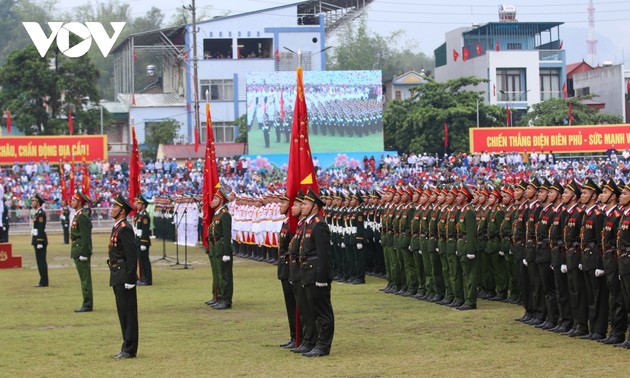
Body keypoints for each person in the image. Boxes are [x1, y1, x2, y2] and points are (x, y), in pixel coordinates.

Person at [299, 188, 334, 357]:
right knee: (313, 310)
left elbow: (323, 253)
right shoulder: (309, 223)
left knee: (323, 311)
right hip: (308, 272)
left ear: (314, 207)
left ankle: (323, 346)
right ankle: (316, 343)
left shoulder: (319, 224)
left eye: (305, 203)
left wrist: (321, 278)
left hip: (317, 274)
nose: (302, 206)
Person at [108, 194, 139, 359]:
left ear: (122, 210)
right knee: (122, 312)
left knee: (128, 312)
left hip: (123, 273)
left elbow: (132, 256)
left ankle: (130, 348)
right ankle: (126, 346)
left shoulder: (125, 228)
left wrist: (131, 279)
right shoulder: (117, 227)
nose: (112, 209)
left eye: (115, 207)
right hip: (116, 272)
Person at [276, 192, 296, 348]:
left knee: (296, 304)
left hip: (291, 268)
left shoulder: (292, 225)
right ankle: (293, 336)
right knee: (289, 305)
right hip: (284, 268)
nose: (280, 205)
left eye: (283, 202)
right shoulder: (286, 223)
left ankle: (298, 336)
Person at [208, 189, 233, 310]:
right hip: (216, 248)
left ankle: (226, 300)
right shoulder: (217, 214)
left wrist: (227, 253)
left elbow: (227, 235)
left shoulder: (225, 215)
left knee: (225, 275)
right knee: (218, 274)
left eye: (215, 199)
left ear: (221, 201)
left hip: (223, 248)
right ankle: (219, 297)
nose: (212, 201)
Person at [71, 192, 93, 312]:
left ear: (79, 202)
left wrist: (84, 253)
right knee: (83, 277)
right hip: (77, 248)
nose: (71, 202)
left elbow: (86, 237)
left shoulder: (82, 216)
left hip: (81, 249)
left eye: (74, 200)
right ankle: (86, 302)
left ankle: (87, 303)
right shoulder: (78, 215)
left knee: (85, 278)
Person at [134, 195, 152, 286]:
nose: (137, 205)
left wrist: (143, 243)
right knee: (141, 261)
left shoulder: (144, 216)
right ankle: (143, 278)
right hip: (138, 241)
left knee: (145, 261)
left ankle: (147, 280)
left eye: (139, 203)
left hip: (143, 241)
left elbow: (145, 230)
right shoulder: (139, 214)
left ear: (143, 205)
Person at [31, 193, 48, 287]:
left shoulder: (40, 213)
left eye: (33, 201)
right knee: (39, 261)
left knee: (41, 261)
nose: (32, 203)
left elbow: (41, 228)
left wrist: (40, 241)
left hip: (39, 240)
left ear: (38, 202)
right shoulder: (37, 213)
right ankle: (43, 280)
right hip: (36, 239)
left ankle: (44, 281)